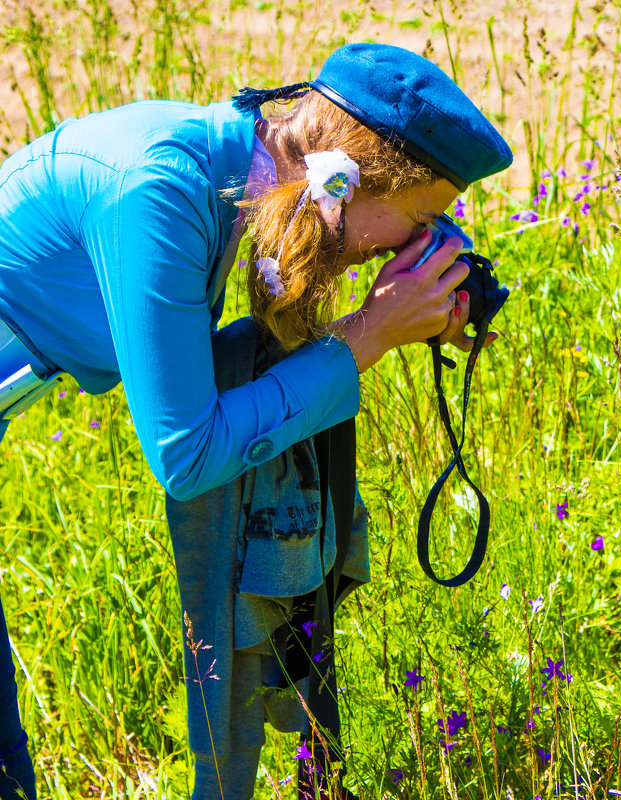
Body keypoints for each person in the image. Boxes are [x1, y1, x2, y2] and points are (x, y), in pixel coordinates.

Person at [0, 42, 513, 799]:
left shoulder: (233, 179)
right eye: (420, 222)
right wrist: (365, 335)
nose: (410, 249)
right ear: (351, 177)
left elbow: (232, 357)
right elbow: (189, 452)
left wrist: (396, 317)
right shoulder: (161, 193)